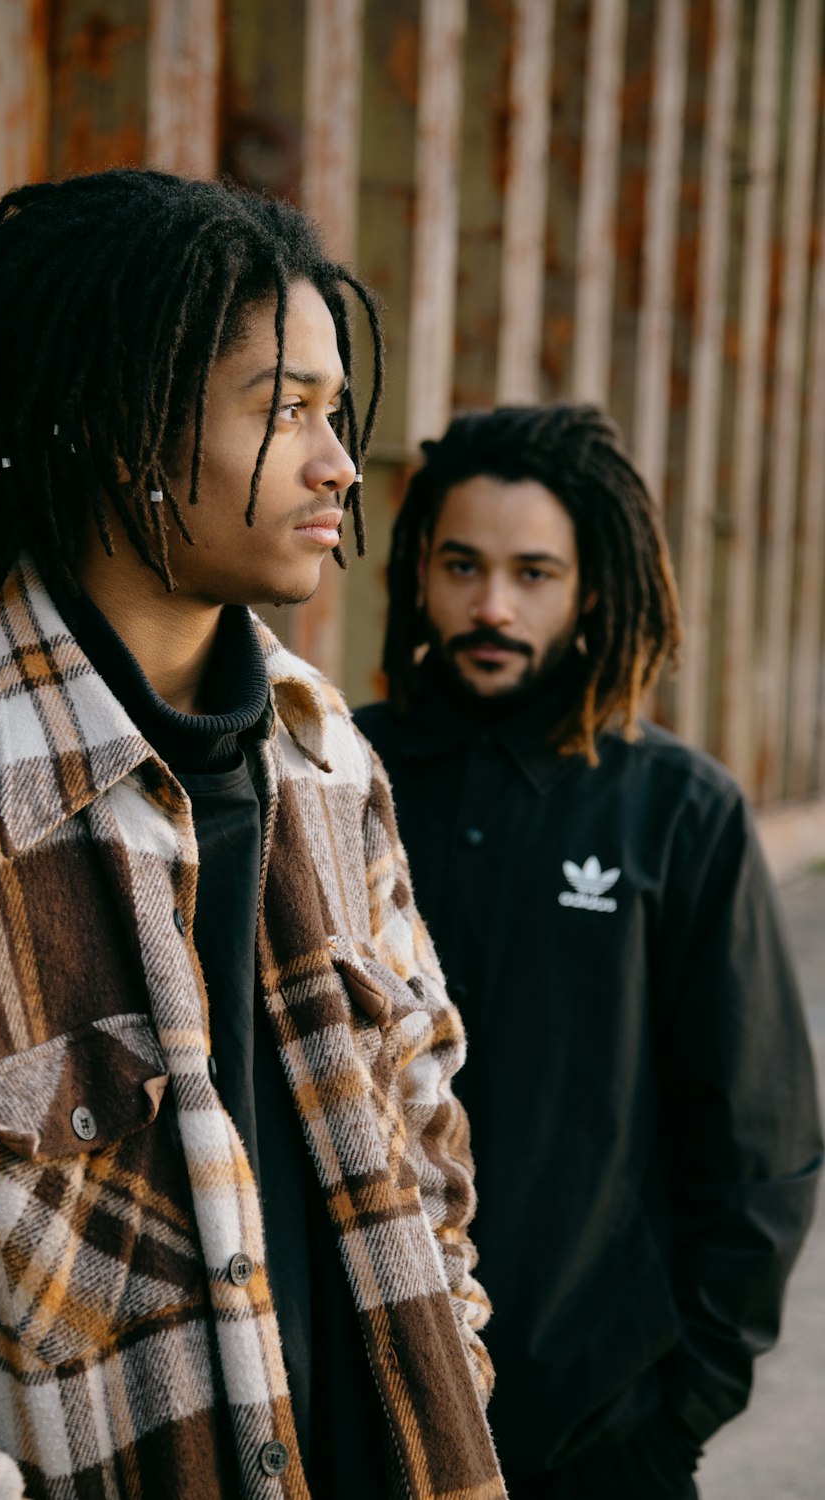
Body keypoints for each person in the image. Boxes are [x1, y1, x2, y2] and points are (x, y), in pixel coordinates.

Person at [0, 170, 506, 1500]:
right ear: (118, 426)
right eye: (285, 408)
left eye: (337, 409)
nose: (337, 462)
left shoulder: (329, 762)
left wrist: (457, 1390)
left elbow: (431, 1164)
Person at [354, 404, 822, 1500]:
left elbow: (760, 1149)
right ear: (420, 568)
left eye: (534, 573)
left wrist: (676, 1414)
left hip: (592, 1442)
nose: (493, 606)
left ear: (591, 586)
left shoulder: (677, 811)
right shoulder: (334, 775)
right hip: (358, 1422)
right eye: (463, 565)